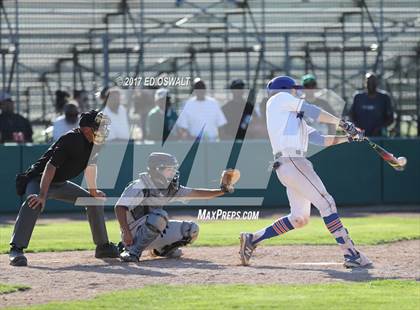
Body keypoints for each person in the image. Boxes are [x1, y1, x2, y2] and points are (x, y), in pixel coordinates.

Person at [239, 76, 372, 268]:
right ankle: (351, 253)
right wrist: (343, 123)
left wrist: (348, 138)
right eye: (294, 89)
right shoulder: (278, 98)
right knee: (326, 203)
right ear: (285, 89)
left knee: (299, 218)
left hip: (289, 165)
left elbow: (319, 139)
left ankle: (252, 239)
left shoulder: (290, 118)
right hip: (292, 161)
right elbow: (313, 111)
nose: (297, 92)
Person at [9, 110, 119, 266]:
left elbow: (90, 167)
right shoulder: (72, 139)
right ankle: (16, 249)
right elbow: (50, 166)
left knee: (93, 201)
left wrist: (93, 192)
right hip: (39, 179)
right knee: (34, 202)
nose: (103, 130)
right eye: (99, 127)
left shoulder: (94, 143)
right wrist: (42, 194)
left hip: (61, 183)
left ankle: (102, 246)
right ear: (87, 129)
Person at [115, 152, 238, 262]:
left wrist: (222, 191)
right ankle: (132, 252)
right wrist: (126, 233)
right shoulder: (140, 185)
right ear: (157, 169)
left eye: (174, 169)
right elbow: (120, 207)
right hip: (133, 233)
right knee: (160, 216)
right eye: (170, 169)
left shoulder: (169, 187)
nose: (173, 172)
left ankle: (162, 250)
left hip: (153, 226)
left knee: (191, 230)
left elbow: (197, 193)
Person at [349, 72, 394, 136]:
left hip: (379, 136)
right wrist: (357, 128)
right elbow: (351, 116)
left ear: (377, 83)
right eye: (368, 81)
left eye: (373, 81)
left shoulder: (384, 97)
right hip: (360, 136)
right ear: (365, 83)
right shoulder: (358, 97)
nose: (371, 84)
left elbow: (390, 119)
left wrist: (379, 128)